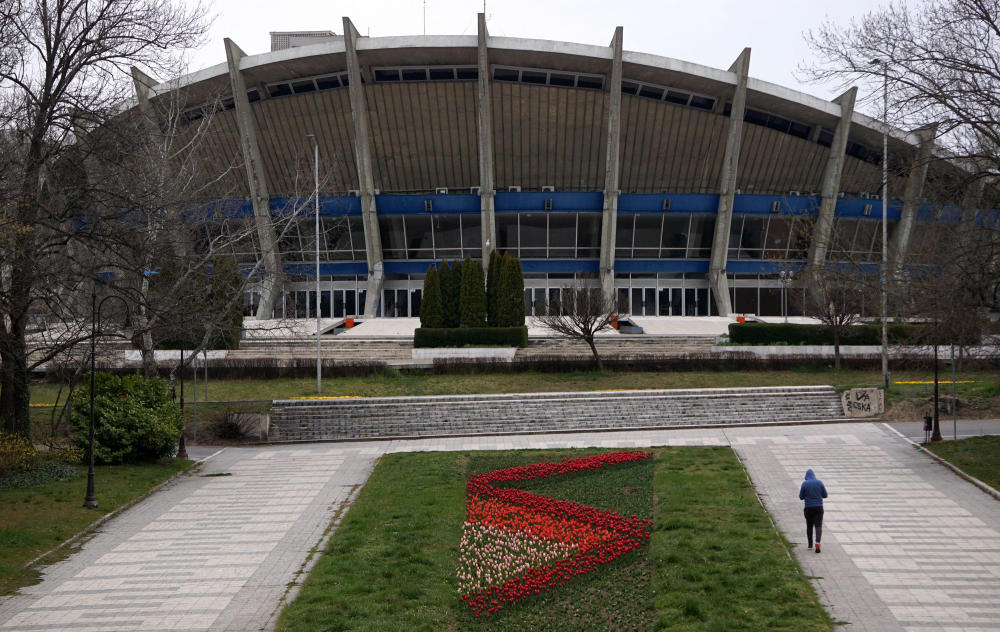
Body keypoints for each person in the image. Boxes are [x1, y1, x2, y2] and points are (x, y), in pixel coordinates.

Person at [799, 469, 827, 553]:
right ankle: (817, 542)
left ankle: (810, 544)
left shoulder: (804, 484)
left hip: (808, 507)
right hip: (819, 507)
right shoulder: (819, 482)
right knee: (818, 526)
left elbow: (801, 497)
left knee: (809, 525)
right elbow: (825, 495)